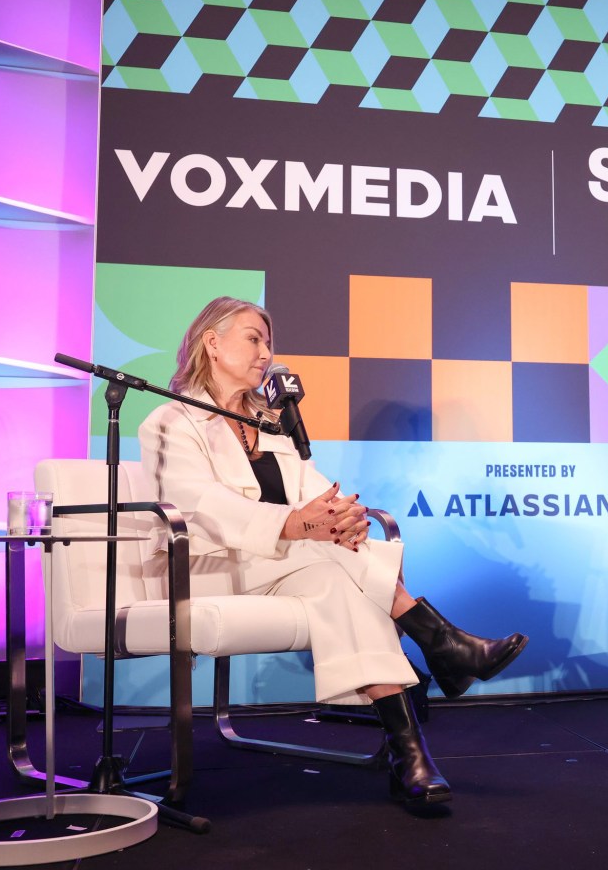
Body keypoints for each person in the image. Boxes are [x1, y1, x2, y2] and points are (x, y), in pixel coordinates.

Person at [138, 296, 528, 808]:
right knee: (328, 556)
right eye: (254, 338)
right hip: (211, 564)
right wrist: (296, 523)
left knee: (335, 575)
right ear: (212, 342)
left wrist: (339, 515)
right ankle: (442, 644)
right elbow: (199, 505)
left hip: (286, 561)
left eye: (268, 341)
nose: (266, 352)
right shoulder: (171, 421)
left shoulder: (270, 420)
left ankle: (408, 750)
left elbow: (311, 486)